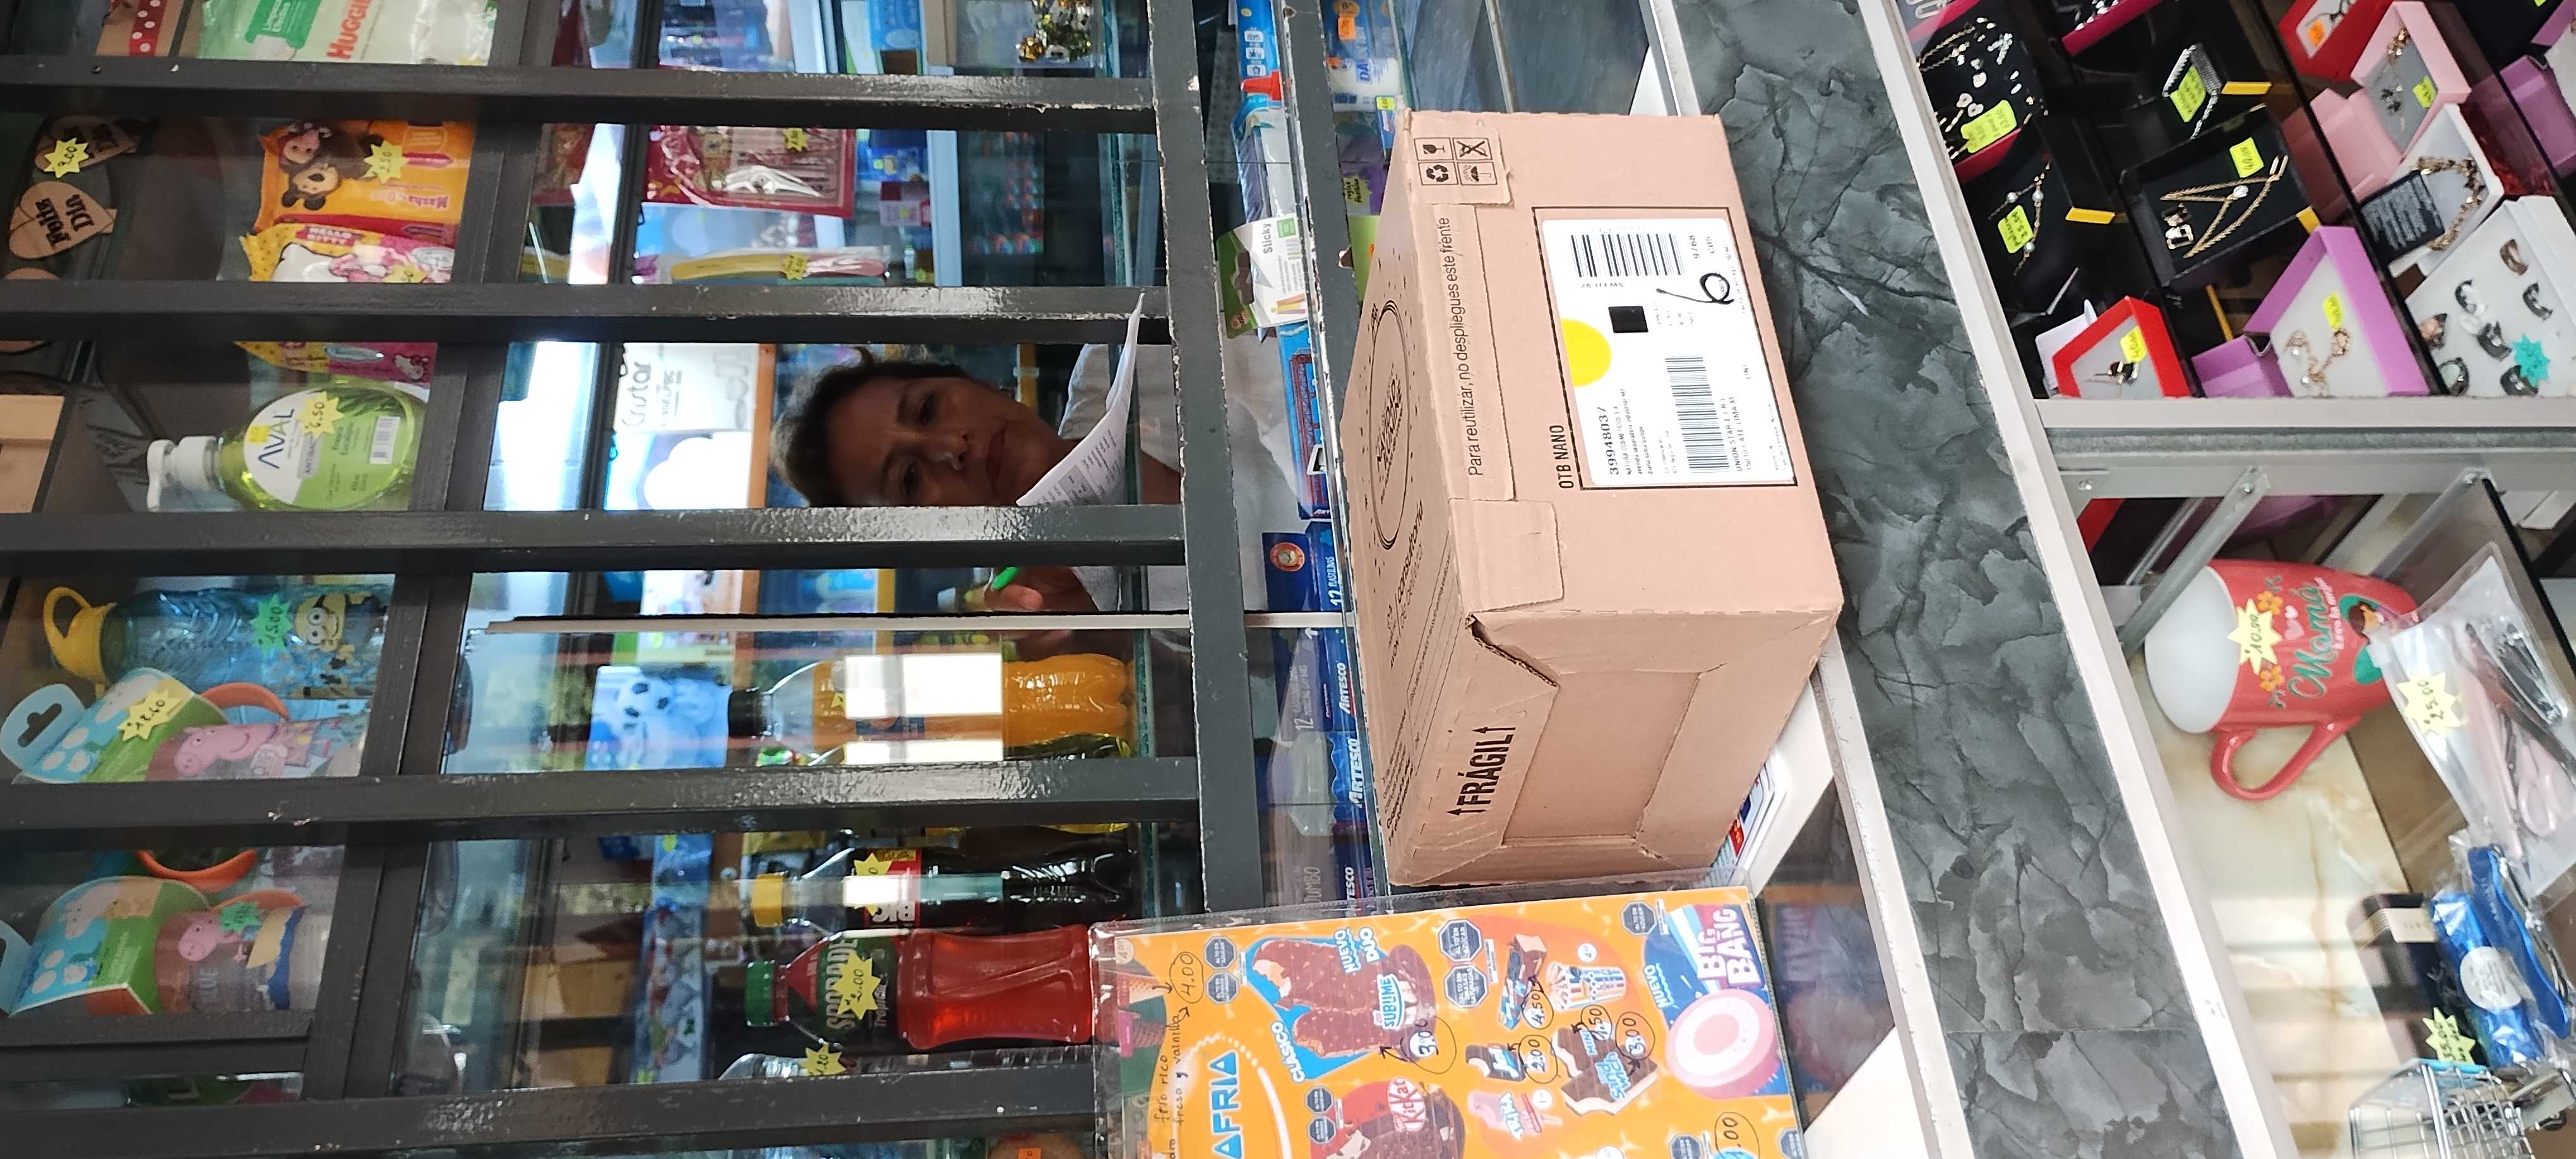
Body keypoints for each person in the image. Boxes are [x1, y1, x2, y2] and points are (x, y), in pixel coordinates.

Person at [773, 342, 1297, 613]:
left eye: (929, 408)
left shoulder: (1119, 363)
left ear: (979, 382)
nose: (952, 447)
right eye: (910, 479)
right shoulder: (1069, 605)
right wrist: (1100, 634)